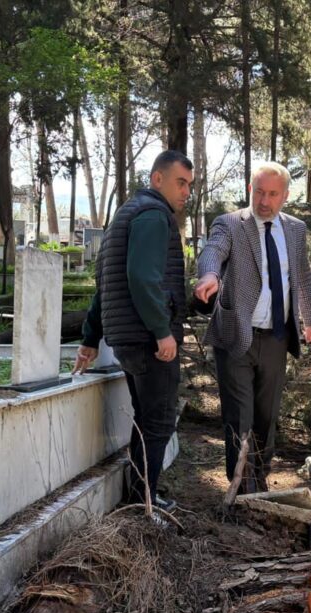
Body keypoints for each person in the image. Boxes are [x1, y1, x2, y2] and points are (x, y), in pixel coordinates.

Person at [74, 150, 193, 512]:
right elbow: (142, 278)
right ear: (157, 179)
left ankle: (140, 498)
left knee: (147, 420)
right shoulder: (154, 215)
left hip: (127, 337)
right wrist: (162, 331)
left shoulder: (124, 216)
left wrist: (90, 338)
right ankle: (144, 504)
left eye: (190, 184)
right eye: (180, 182)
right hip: (147, 338)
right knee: (157, 423)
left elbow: (104, 285)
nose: (186, 191)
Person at [194, 161, 311, 493]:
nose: (265, 201)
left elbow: (302, 276)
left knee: (267, 415)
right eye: (259, 192)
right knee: (239, 415)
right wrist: (209, 275)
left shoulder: (295, 229)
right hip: (237, 333)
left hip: (276, 337)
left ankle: (259, 477)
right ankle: (241, 485)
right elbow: (213, 250)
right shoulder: (231, 223)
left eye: (273, 194)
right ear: (251, 189)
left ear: (285, 196)